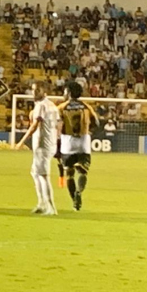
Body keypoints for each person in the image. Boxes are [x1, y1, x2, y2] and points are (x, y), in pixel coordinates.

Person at [15, 82, 60, 215]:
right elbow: (58, 124)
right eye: (33, 90)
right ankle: (41, 203)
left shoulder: (41, 106)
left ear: (45, 91)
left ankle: (51, 208)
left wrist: (21, 142)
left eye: (37, 90)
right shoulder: (52, 105)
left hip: (42, 144)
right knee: (35, 173)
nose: (34, 93)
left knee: (43, 176)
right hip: (49, 143)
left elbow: (35, 126)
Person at [57, 82, 99, 211]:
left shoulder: (61, 107)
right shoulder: (86, 106)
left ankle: (75, 203)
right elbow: (96, 122)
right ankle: (79, 192)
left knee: (69, 173)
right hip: (83, 142)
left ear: (69, 92)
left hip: (67, 143)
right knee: (83, 172)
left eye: (65, 91)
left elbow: (57, 125)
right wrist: (87, 130)